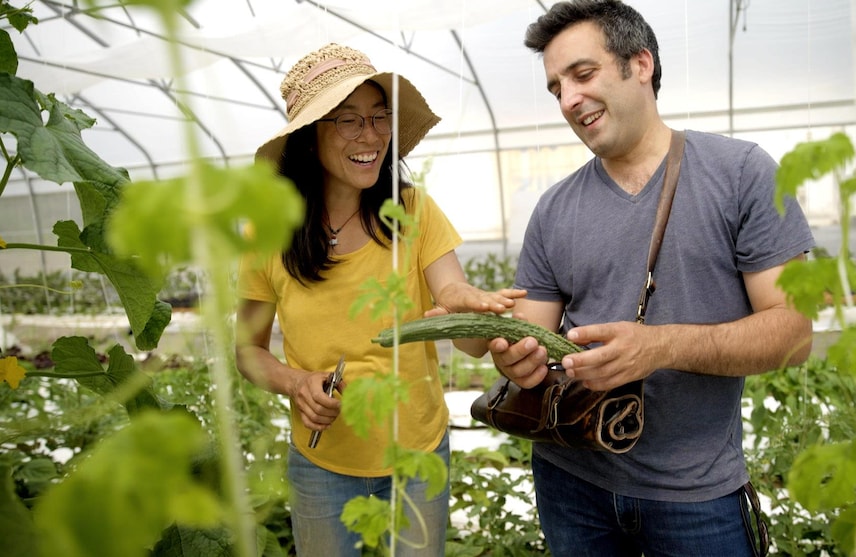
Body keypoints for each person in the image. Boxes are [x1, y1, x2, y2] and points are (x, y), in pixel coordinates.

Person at [487, 1, 815, 556]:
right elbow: (531, 340)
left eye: (583, 75)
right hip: (571, 477)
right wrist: (512, 357)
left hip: (695, 494)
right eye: (555, 88)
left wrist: (659, 346)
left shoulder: (741, 175)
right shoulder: (554, 208)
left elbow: (795, 333)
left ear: (640, 65)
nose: (568, 100)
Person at [235, 43, 523, 557]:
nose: (370, 136)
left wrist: (462, 305)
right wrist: (296, 382)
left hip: (416, 454)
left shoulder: (412, 209)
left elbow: (473, 341)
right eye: (347, 121)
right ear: (308, 137)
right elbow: (248, 353)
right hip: (321, 462)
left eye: (378, 117)